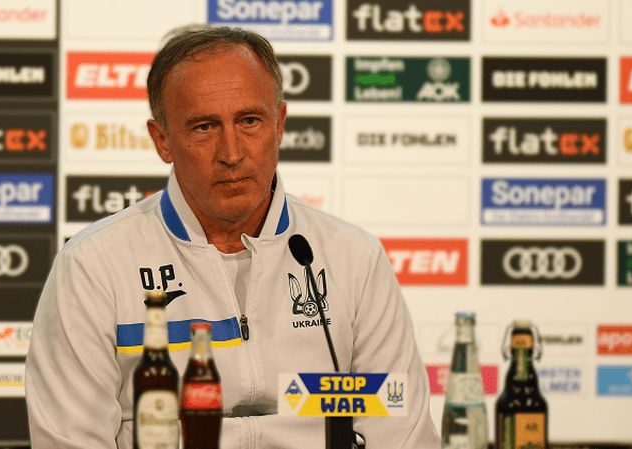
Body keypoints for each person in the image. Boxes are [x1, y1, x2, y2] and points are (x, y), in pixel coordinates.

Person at [25, 26, 439, 448]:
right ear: (162, 140)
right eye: (204, 127)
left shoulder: (354, 257)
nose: (232, 153)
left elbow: (399, 430)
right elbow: (70, 440)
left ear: (279, 124)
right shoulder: (93, 265)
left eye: (249, 121)